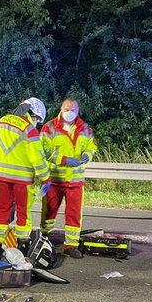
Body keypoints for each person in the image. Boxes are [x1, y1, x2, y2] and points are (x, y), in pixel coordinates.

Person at [0, 97, 51, 255]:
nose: (37, 122)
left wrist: (5, 159)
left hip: (1, 176)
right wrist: (45, 178)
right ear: (32, 114)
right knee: (23, 213)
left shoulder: (0, 122)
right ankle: (22, 247)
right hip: (21, 179)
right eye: (37, 118)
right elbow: (38, 158)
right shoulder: (29, 129)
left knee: (2, 211)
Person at [40, 97, 97, 258]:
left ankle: (71, 245)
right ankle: (44, 238)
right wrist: (63, 159)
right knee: (49, 212)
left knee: (74, 214)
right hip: (56, 179)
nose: (69, 113)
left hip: (75, 181)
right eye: (67, 109)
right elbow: (42, 150)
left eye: (73, 110)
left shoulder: (85, 129)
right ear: (61, 109)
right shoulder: (49, 127)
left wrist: (87, 154)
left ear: (78, 111)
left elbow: (91, 146)